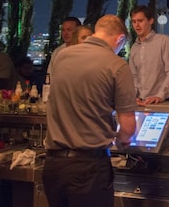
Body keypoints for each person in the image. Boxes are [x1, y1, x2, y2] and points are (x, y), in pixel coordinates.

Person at [43, 15, 137, 207]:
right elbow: (128, 126)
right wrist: (121, 139)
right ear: (119, 39)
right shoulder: (117, 65)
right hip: (88, 168)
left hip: (53, 166)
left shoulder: (62, 56)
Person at [129, 5, 169, 105]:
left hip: (161, 101)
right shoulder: (134, 48)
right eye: (134, 21)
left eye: (140, 21)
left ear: (151, 21)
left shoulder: (164, 41)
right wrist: (133, 97)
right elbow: (134, 77)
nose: (137, 25)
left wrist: (160, 96)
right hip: (140, 102)